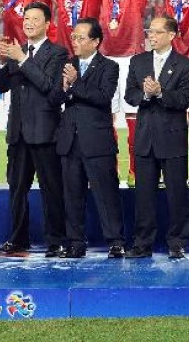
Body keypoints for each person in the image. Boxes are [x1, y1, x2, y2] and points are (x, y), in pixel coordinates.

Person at [0, 1, 67, 257]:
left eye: (35, 18)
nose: (29, 23)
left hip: (45, 132)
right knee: (17, 190)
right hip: (18, 133)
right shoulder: (17, 51)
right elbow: (1, 86)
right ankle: (17, 239)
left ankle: (56, 240)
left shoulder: (57, 53)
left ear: (47, 24)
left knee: (52, 189)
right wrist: (2, 62)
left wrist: (22, 60)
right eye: (26, 18)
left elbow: (48, 86)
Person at [86, 0, 152, 186]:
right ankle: (109, 171)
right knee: (106, 118)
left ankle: (136, 171)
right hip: (105, 57)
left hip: (131, 57)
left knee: (134, 117)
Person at [124, 15, 189, 260]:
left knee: (177, 194)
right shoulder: (138, 62)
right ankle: (142, 243)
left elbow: (184, 99)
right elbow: (129, 95)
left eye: (156, 32)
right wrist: (145, 95)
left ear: (171, 36)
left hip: (173, 138)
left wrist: (161, 92)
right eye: (149, 32)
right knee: (144, 195)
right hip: (145, 138)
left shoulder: (185, 65)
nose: (151, 36)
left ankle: (177, 243)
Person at [55, 18, 125, 259]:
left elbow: (103, 97)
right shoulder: (66, 65)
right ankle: (75, 242)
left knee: (106, 194)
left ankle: (115, 241)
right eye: (73, 37)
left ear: (95, 41)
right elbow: (55, 98)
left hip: (97, 141)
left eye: (81, 37)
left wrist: (75, 83)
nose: (75, 41)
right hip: (69, 141)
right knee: (71, 195)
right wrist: (63, 89)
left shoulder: (109, 66)